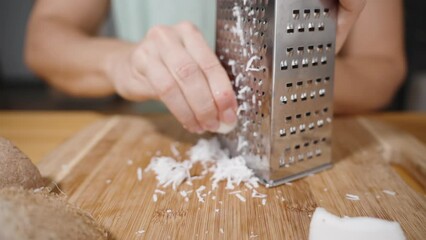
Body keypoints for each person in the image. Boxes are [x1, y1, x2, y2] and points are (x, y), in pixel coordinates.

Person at [25, 0, 406, 134]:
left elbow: (383, 65)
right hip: (153, 132)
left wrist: (294, 79)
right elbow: (44, 39)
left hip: (309, 135)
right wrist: (120, 63)